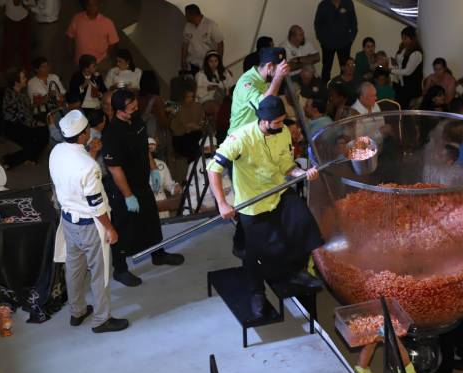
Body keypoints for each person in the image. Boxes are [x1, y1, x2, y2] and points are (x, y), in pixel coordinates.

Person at [207, 96, 323, 317]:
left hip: (278, 192)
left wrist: (302, 173)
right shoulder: (241, 137)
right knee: (254, 251)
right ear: (263, 121)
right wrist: (222, 203)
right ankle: (256, 293)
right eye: (277, 122)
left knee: (302, 221)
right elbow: (213, 167)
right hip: (252, 202)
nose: (281, 126)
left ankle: (296, 271)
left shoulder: (284, 132)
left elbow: (286, 166)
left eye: (282, 121)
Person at [49, 109, 129, 333]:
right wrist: (110, 229)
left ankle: (77, 311)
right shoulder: (89, 167)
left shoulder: (56, 151)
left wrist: (91, 154)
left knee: (74, 267)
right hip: (89, 225)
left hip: (67, 221)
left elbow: (74, 177)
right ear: (83, 135)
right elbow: (95, 204)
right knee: (99, 271)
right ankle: (102, 319)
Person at [101, 90, 185, 287]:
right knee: (123, 228)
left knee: (151, 220)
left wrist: (154, 169)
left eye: (134, 101)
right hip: (122, 188)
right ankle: (120, 270)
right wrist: (128, 195)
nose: (135, 105)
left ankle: (158, 253)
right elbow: (114, 169)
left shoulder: (137, 120)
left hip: (142, 182)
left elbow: (143, 148)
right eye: (130, 103)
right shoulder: (112, 134)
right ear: (119, 109)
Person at [228, 47, 289, 134]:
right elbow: (265, 106)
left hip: (255, 136)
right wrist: (278, 77)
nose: (281, 73)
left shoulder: (265, 80)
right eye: (279, 69)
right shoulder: (246, 83)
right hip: (239, 138)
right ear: (269, 66)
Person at [1, 68, 49, 169]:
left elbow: (27, 111)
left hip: (22, 122)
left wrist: (39, 102)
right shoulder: (12, 96)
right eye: (23, 78)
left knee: (42, 133)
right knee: (42, 135)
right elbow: (22, 118)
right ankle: (11, 161)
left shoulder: (19, 93)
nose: (26, 79)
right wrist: (37, 123)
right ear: (16, 82)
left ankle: (27, 157)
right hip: (13, 126)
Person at [66, 0, 119, 69]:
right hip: (80, 63)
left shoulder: (108, 22)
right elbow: (69, 36)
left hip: (99, 63)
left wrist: (107, 56)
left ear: (99, 6)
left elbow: (113, 43)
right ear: (85, 5)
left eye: (95, 5)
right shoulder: (77, 18)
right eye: (89, 5)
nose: (92, 8)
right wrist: (71, 54)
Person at [314, 0, 357, 83]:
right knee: (326, 69)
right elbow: (317, 24)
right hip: (327, 44)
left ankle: (344, 90)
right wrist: (322, 40)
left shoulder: (348, 3)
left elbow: (353, 24)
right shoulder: (323, 4)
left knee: (345, 68)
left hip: (344, 44)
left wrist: (350, 40)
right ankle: (325, 91)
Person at [180, 4, 223, 74]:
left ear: (192, 15)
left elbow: (220, 43)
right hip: (192, 63)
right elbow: (185, 44)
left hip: (208, 64)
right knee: (196, 83)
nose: (185, 17)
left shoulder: (210, 25)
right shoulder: (187, 26)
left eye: (186, 14)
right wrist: (183, 60)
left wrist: (219, 62)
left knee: (207, 83)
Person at [391, 26, 423, 109]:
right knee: (398, 108)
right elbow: (401, 64)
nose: (403, 40)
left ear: (412, 38)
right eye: (402, 38)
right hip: (401, 86)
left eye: (405, 38)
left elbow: (408, 71)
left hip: (410, 89)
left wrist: (391, 70)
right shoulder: (403, 48)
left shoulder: (416, 53)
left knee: (405, 111)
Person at [0, 0, 31, 72]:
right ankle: (4, 69)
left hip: (24, 19)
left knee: (25, 45)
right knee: (8, 45)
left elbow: (33, 3)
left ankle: (27, 69)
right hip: (9, 20)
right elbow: (0, 3)